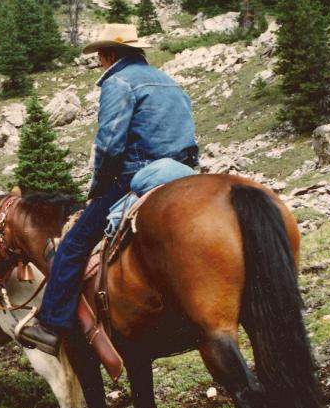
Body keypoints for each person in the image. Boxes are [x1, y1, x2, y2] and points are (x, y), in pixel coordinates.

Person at [19, 24, 199, 355]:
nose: (100, 63)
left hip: (140, 173)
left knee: (73, 244)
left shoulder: (118, 81)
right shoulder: (170, 80)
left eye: (100, 56)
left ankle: (51, 326)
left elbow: (110, 145)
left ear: (109, 54)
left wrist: (98, 189)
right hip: (184, 173)